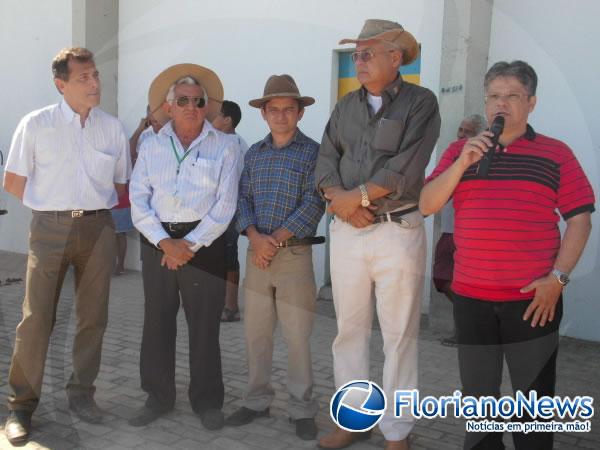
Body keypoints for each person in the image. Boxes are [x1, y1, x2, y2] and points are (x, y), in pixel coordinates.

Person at [420, 60, 595, 450]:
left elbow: (580, 221)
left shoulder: (556, 154)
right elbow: (428, 203)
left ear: (531, 102)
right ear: (486, 102)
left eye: (513, 96)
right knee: (479, 405)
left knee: (532, 409)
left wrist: (558, 280)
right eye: (495, 96)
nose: (503, 104)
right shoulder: (458, 151)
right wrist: (464, 161)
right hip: (472, 300)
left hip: (534, 302)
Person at [315, 20, 441, 450]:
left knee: (399, 336)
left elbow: (406, 167)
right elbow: (326, 157)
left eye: (369, 52)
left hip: (396, 230)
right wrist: (340, 202)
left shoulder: (421, 103)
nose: (360, 60)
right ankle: (353, 420)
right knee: (348, 331)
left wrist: (358, 199)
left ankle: (397, 431)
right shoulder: (345, 107)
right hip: (348, 231)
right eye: (357, 54)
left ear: (396, 57)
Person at [2, 47, 130, 445]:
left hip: (98, 230)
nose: (94, 84)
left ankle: (82, 395)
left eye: (95, 75)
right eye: (83, 78)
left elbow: (121, 184)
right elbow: (14, 181)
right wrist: (52, 209)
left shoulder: (111, 127)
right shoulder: (36, 124)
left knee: (93, 318)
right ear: (61, 85)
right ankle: (21, 406)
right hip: (49, 229)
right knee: (36, 319)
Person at [128, 64, 241, 430]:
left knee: (204, 326)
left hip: (202, 245)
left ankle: (207, 401)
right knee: (157, 321)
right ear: (169, 106)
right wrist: (164, 242)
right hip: (157, 240)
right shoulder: (150, 143)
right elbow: (138, 198)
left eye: (198, 101)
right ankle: (157, 397)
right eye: (183, 101)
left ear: (207, 106)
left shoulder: (226, 146)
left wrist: (187, 245)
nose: (191, 106)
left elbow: (225, 206)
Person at [225, 74, 325, 440]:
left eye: (288, 109)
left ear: (299, 113)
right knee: (256, 333)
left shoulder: (314, 153)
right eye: (274, 109)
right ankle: (256, 400)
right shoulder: (254, 154)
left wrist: (275, 239)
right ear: (264, 114)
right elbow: (243, 200)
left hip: (294, 255)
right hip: (256, 255)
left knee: (297, 336)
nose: (281, 115)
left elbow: (314, 202)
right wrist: (255, 237)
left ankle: (301, 408)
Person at [434, 114, 484, 346]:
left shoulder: (482, 160)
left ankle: (469, 330)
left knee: (462, 282)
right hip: (448, 229)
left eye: (468, 132)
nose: (462, 135)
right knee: (442, 278)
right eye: (460, 130)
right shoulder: (454, 155)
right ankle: (474, 323)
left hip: (467, 233)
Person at [211, 100, 249, 322]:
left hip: (228, 211)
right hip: (218, 212)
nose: (211, 118)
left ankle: (231, 306)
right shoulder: (221, 141)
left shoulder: (233, 144)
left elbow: (231, 183)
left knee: (228, 256)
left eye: (216, 115)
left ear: (227, 120)